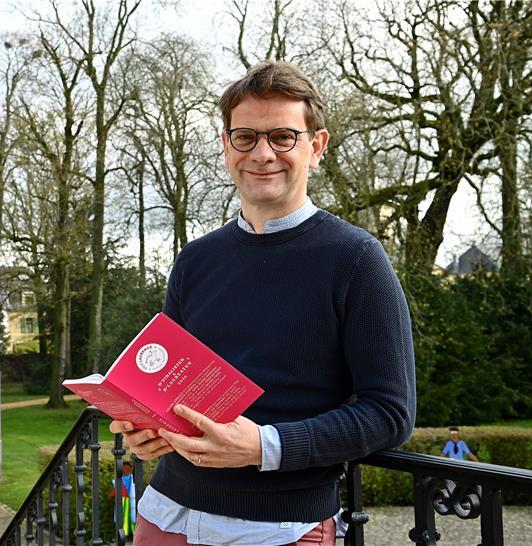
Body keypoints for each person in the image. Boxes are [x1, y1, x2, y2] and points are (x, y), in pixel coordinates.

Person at [109, 60, 416, 546]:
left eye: (283, 137)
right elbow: (166, 384)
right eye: (246, 137)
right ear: (227, 147)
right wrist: (146, 429)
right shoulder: (195, 260)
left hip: (280, 528)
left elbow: (391, 413)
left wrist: (263, 447)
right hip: (165, 516)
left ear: (316, 147)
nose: (262, 154)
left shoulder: (356, 259)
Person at [108, 461, 137, 537]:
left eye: (128, 468)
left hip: (130, 500)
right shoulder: (119, 479)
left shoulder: (131, 478)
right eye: (124, 468)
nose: (125, 470)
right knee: (122, 518)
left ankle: (133, 534)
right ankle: (123, 534)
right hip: (122, 500)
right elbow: (116, 489)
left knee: (131, 518)